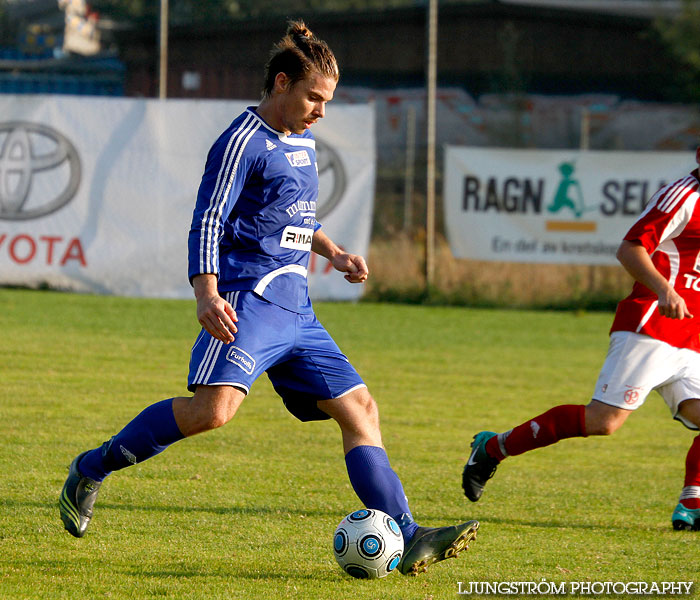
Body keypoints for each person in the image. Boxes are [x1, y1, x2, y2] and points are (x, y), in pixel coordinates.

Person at [59, 20, 479, 575]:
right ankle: (91, 468)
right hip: (247, 300)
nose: (321, 111)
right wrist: (206, 291)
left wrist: (333, 251)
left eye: (327, 101)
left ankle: (408, 534)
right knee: (213, 413)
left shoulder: (300, 140)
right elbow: (207, 217)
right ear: (281, 83)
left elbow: (294, 218)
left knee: (361, 410)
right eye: (314, 97)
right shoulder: (241, 141)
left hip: (297, 309)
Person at [462, 145, 700, 531]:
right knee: (604, 421)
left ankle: (692, 503)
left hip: (692, 335)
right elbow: (630, 248)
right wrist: (662, 289)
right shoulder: (683, 196)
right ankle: (492, 448)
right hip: (653, 326)